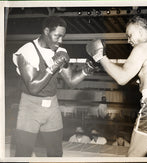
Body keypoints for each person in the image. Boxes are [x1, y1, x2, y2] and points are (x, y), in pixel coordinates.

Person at [86, 16, 147, 157]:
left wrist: (100, 57)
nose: (129, 40)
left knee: (133, 156)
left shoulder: (143, 47)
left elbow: (122, 78)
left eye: (130, 35)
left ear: (140, 30)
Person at [12, 16, 97, 157]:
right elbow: (33, 87)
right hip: (30, 107)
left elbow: (70, 81)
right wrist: (53, 66)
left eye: (62, 37)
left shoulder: (60, 51)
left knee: (56, 152)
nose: (60, 41)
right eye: (57, 36)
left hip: (52, 107)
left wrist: (85, 70)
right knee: (23, 154)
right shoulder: (27, 51)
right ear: (46, 31)